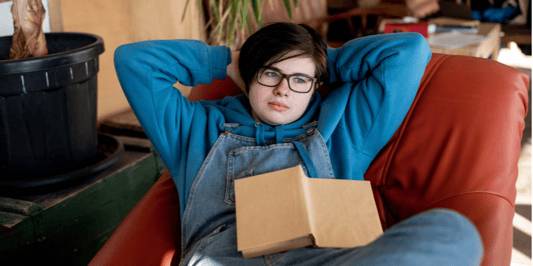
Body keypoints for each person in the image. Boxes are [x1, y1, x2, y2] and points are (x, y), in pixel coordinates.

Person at [114, 22, 483, 265]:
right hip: (228, 257)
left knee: (453, 231)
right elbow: (134, 61)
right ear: (249, 74)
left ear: (316, 84)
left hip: (322, 257)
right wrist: (228, 61)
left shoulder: (343, 126)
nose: (282, 90)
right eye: (271, 72)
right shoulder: (195, 127)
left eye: (299, 80)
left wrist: (319, 62)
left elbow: (409, 51)